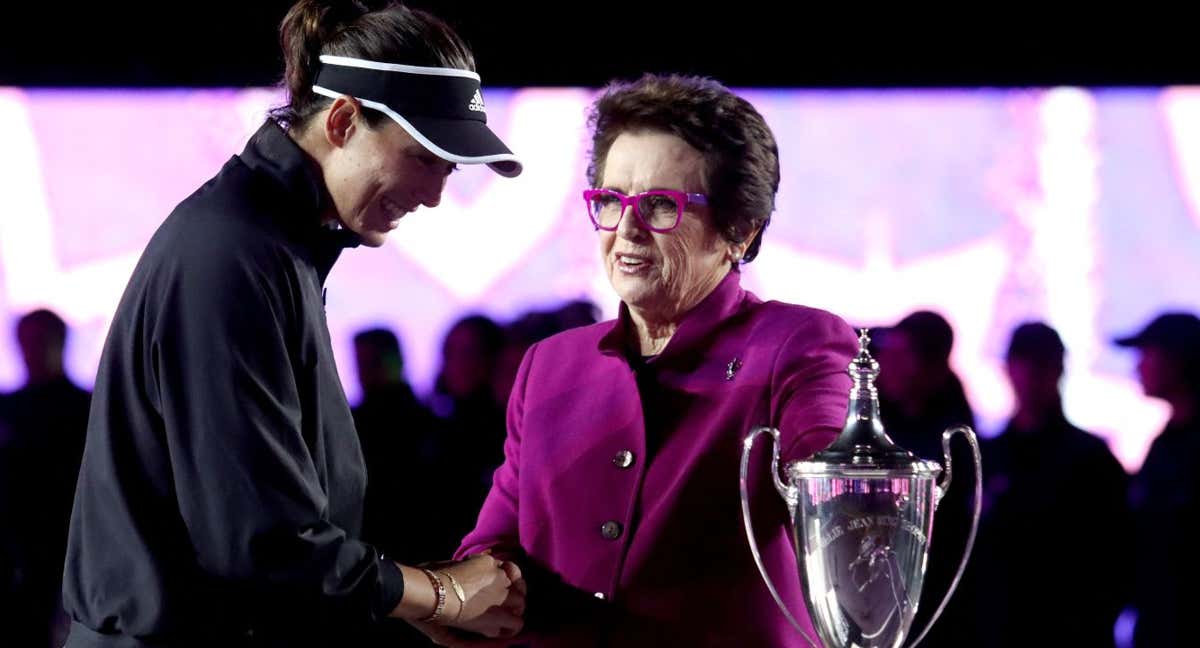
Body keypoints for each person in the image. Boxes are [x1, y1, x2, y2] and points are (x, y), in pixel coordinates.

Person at [61, 2, 525, 646]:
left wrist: (419, 601)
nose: (434, 195)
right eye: (423, 157)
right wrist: (438, 597)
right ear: (342, 121)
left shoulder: (274, 243)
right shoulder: (232, 255)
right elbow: (258, 541)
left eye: (449, 169)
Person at [450, 73, 858, 647]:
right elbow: (494, 546)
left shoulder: (797, 343)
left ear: (739, 230)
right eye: (611, 202)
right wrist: (449, 589)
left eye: (661, 205)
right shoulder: (550, 364)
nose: (627, 231)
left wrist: (848, 489)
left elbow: (833, 481)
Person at [967, 322, 1130, 647]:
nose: (1029, 376)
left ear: (1057, 369)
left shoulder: (1090, 458)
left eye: (1039, 365)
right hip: (1001, 624)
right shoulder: (987, 455)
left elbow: (1116, 555)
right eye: (1024, 364)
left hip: (1068, 627)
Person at [0, 309, 91, 647]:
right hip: (28, 559)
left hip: (67, 553)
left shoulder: (85, 410)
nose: (32, 351)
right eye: (27, 342)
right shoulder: (87, 409)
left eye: (39, 341)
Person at [1115, 312, 1200, 647]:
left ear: (1178, 362)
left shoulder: (1182, 446)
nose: (1138, 367)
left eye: (1146, 354)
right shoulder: (1166, 442)